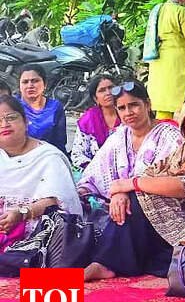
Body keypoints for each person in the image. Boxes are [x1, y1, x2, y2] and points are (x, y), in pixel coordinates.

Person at [84, 97, 185, 280]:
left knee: (143, 195)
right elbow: (152, 172)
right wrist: (121, 191)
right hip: (182, 221)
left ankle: (108, 264)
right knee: (135, 197)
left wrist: (131, 184)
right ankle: (107, 263)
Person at [76, 81, 184, 206]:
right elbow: (93, 176)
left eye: (134, 105)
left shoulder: (169, 136)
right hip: (116, 203)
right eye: (122, 108)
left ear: (148, 104)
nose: (128, 112)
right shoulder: (119, 136)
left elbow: (166, 180)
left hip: (157, 207)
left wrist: (123, 190)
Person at [0, 95, 82, 252]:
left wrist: (22, 213)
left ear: (26, 122)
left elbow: (58, 200)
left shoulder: (48, 157)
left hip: (41, 238)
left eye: (11, 117)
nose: (4, 124)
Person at [71, 74, 121, 171]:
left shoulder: (127, 115)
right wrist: (97, 171)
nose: (108, 93)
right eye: (102, 90)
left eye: (111, 88)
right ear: (95, 98)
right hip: (94, 172)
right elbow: (77, 154)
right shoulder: (88, 120)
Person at [15, 65, 66, 153]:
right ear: (19, 86)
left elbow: (60, 142)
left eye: (35, 81)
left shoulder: (55, 107)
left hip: (47, 155)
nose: (30, 85)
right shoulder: (12, 105)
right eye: (25, 82)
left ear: (45, 84)